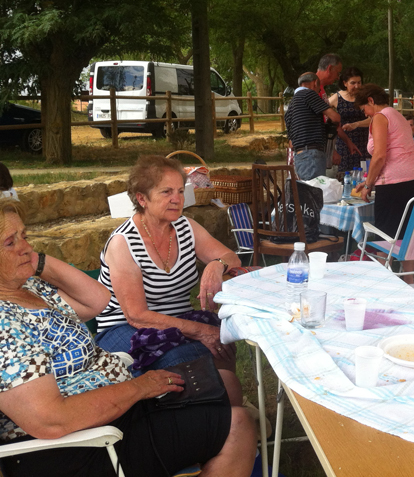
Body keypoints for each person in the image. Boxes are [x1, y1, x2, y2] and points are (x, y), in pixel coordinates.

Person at [0, 199, 256, 477]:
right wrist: (139, 387)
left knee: (224, 385)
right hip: (79, 445)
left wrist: (39, 262)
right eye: (10, 242)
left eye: (25, 236)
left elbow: (97, 300)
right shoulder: (4, 322)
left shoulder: (30, 288)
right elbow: (51, 421)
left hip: (116, 409)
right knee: (238, 426)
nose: (26, 247)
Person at [95, 155, 245, 405]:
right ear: (142, 199)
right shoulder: (123, 243)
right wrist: (200, 331)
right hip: (125, 328)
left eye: (180, 191)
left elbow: (232, 257)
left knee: (222, 341)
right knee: (192, 357)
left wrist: (216, 265)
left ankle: (228, 412)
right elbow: (137, 316)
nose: (177, 199)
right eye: (166, 192)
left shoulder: (186, 228)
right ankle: (218, 413)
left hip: (177, 320)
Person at [354, 84, 414, 283]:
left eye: (364, 109)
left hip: (395, 181)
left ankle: (384, 281)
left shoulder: (380, 117)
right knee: (405, 232)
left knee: (385, 233)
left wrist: (369, 185)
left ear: (370, 100)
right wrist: (370, 181)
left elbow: (379, 156)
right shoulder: (397, 115)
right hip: (413, 176)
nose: (365, 114)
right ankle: (409, 281)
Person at [285, 73, 341, 180]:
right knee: (316, 188)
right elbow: (335, 118)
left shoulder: (291, 106)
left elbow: (291, 143)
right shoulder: (309, 94)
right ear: (315, 83)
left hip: (300, 156)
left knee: (307, 187)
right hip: (312, 154)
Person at [328, 67, 369, 172]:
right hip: (344, 144)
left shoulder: (365, 98)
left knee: (365, 173)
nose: (357, 86)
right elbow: (323, 112)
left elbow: (374, 118)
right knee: (345, 174)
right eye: (353, 83)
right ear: (345, 83)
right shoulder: (336, 98)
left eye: (359, 82)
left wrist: (356, 124)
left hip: (365, 142)